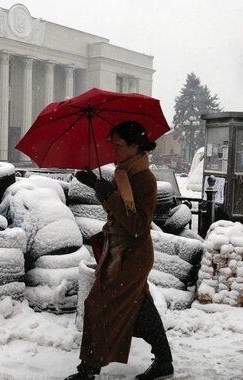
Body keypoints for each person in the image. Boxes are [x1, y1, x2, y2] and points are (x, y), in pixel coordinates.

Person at [65, 121, 174, 380]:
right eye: (112, 144)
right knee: (139, 308)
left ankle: (88, 369)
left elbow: (138, 225)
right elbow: (120, 213)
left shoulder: (144, 179)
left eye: (119, 145)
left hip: (132, 255)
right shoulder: (123, 174)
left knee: (98, 304)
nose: (114, 149)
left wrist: (106, 193)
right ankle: (164, 362)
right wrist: (97, 185)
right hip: (120, 252)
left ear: (135, 146)